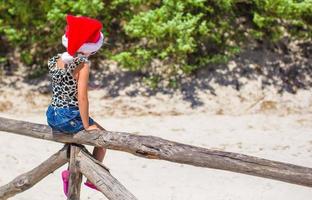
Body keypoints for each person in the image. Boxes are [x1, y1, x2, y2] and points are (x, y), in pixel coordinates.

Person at [45, 14, 106, 196]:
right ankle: (94, 178)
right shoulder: (83, 64)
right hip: (68, 115)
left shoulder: (54, 59)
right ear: (90, 47)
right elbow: (82, 98)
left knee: (76, 146)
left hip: (52, 114)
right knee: (103, 140)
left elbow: (63, 83)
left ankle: (71, 172)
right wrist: (87, 125)